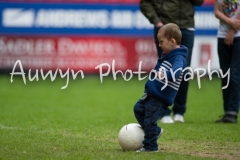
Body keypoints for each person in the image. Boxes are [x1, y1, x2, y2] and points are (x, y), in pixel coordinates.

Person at [140, 0, 204, 123]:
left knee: (183, 71)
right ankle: (163, 112)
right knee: (164, 71)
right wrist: (157, 22)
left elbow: (199, 2)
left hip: (186, 27)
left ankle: (179, 111)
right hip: (165, 28)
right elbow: (145, 3)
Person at [134, 23, 188, 152]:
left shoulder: (178, 57)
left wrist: (164, 75)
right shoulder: (168, 55)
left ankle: (151, 147)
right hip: (153, 93)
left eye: (161, 41)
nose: (159, 45)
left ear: (172, 41)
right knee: (138, 109)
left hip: (160, 97)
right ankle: (156, 131)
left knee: (149, 119)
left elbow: (177, 71)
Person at [214, 0, 240, 123]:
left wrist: (232, 31)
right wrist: (230, 22)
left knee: (234, 74)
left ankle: (233, 112)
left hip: (238, 36)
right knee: (226, 75)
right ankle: (227, 112)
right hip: (221, 35)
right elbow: (217, 11)